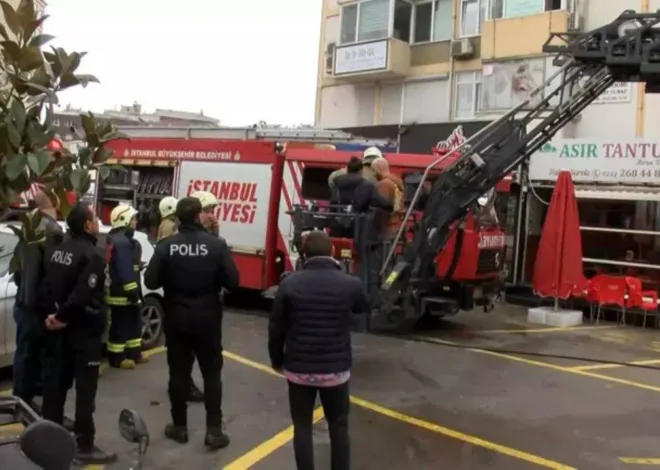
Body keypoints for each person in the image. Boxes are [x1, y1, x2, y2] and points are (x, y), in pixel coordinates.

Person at [269, 230, 369, 470]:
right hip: (335, 371)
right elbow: (363, 307)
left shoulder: (289, 283)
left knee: (302, 426)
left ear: (304, 255)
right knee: (338, 424)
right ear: (332, 251)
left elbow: (276, 327)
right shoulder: (349, 283)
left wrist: (277, 360)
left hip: (299, 369)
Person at [144, 197, 239, 449]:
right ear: (198, 216)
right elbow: (233, 281)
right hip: (208, 318)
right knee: (211, 375)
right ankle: (214, 431)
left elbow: (151, 282)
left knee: (178, 374)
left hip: (177, 319)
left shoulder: (166, 247)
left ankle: (179, 427)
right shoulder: (217, 246)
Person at [41, 201, 117, 465]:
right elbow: (83, 294)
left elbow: (48, 287)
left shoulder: (59, 249)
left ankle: (48, 440)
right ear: (87, 225)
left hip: (59, 330)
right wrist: (63, 317)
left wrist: (54, 316)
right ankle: (84, 445)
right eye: (94, 218)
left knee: (56, 388)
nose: (97, 222)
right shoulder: (92, 255)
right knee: (85, 393)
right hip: (83, 333)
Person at [12, 191, 66, 418]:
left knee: (25, 355)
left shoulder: (27, 228)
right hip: (41, 307)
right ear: (54, 203)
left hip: (23, 303)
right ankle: (41, 410)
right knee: (46, 360)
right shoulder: (52, 230)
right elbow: (55, 271)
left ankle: (20, 402)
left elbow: (17, 269)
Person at [105, 204, 148, 369]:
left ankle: (134, 353)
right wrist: (132, 291)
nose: (136, 222)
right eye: (133, 219)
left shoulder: (124, 240)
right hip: (121, 294)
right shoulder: (122, 242)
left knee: (134, 324)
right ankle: (117, 358)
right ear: (123, 220)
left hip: (127, 292)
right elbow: (124, 269)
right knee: (120, 325)